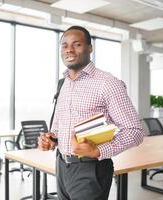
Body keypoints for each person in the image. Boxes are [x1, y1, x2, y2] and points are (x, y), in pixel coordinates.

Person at [38, 26, 145, 200]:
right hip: (62, 167)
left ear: (90, 47)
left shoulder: (108, 83)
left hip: (91, 169)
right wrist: (51, 139)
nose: (69, 50)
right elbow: (59, 126)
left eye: (77, 44)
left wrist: (99, 150)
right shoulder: (62, 84)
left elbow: (135, 131)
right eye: (64, 45)